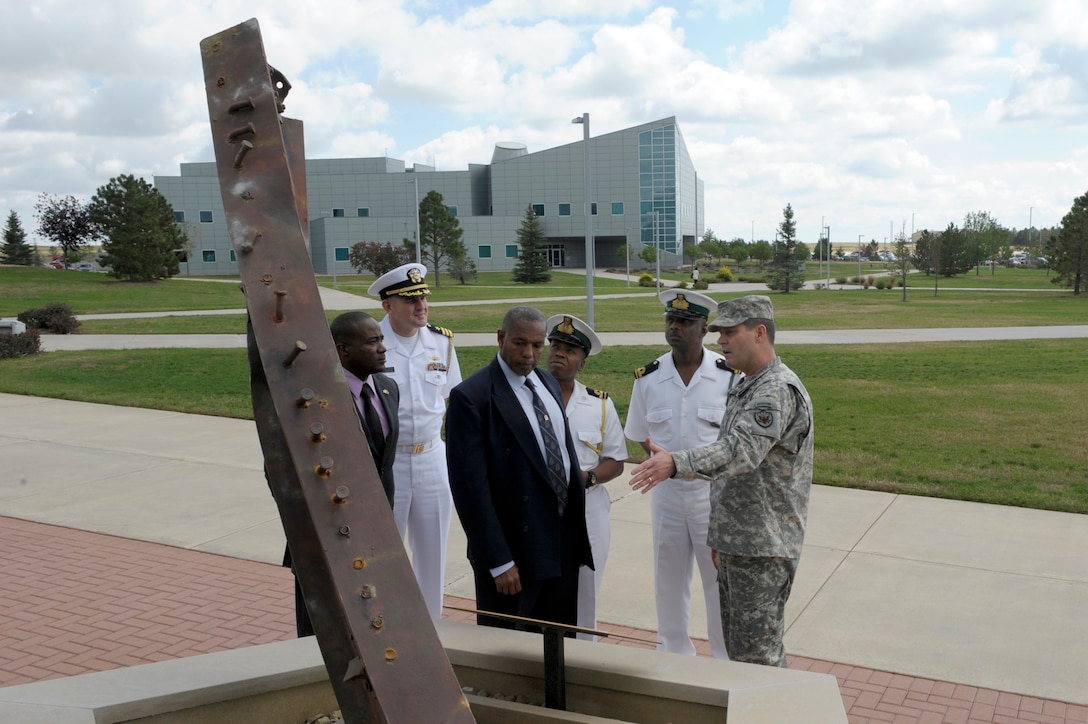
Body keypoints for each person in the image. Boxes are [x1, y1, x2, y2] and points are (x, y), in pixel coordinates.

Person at [628, 295, 814, 668]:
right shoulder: (748, 385)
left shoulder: (773, 389)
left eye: (729, 332)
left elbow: (739, 450)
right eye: (718, 332)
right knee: (741, 653)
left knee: (756, 660)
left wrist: (676, 463)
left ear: (759, 332)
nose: (720, 340)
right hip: (738, 541)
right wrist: (719, 533)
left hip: (760, 546)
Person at [446, 306, 593, 631]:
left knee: (558, 649)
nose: (529, 353)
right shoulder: (473, 398)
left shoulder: (546, 383)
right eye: (519, 343)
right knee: (510, 655)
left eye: (538, 345)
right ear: (501, 338)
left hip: (560, 544)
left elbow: (563, 457)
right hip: (514, 553)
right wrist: (497, 561)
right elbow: (471, 490)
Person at [623, 289, 738, 659]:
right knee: (668, 583)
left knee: (719, 584)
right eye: (670, 320)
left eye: (685, 322)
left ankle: (724, 662)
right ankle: (674, 659)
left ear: (704, 328)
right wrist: (658, 460)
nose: (675, 327)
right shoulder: (648, 378)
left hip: (712, 497)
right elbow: (642, 434)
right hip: (668, 496)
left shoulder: (729, 377)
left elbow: (735, 442)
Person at [284, 311, 400, 636]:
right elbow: (281, 472)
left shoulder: (389, 389)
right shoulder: (314, 400)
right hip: (326, 541)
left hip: (375, 539)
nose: (382, 348)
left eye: (381, 339)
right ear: (343, 349)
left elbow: (383, 466)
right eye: (372, 341)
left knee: (370, 632)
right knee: (322, 636)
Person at [367, 262, 461, 620]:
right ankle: (385, 626)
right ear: (387, 305)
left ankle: (431, 628)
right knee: (384, 551)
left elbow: (452, 399)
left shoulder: (442, 341)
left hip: (432, 456)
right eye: (410, 299)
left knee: (433, 550)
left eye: (423, 297)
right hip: (387, 463)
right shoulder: (371, 342)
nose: (421, 305)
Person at [544, 314, 627, 639]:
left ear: (582, 363)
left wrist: (588, 478)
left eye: (570, 350)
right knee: (544, 587)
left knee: (587, 590)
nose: (559, 353)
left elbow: (616, 460)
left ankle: (584, 656)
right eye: (555, 345)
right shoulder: (527, 396)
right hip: (540, 506)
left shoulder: (599, 405)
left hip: (587, 506)